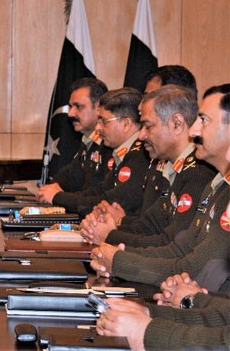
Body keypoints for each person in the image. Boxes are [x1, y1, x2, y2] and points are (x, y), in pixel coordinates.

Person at [90, 84, 230, 292]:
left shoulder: (200, 174)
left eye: (204, 120)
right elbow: (177, 247)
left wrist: (117, 256)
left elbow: (194, 267)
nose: (194, 131)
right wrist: (115, 253)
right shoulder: (217, 184)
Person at [80, 86, 215, 247]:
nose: (141, 135)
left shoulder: (198, 172)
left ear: (177, 124)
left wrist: (109, 236)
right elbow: (149, 225)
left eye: (148, 126)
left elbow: (170, 244)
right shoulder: (175, 168)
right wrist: (105, 227)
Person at [39, 88, 150, 216]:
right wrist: (57, 195)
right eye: (98, 121)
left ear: (126, 124)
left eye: (104, 121)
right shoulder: (125, 152)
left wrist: (58, 197)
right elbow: (100, 192)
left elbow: (110, 203)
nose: (97, 127)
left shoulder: (141, 155)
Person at [38, 78, 111, 195]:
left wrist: (59, 196)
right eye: (70, 106)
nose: (70, 113)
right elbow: (68, 176)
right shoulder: (87, 141)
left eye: (78, 106)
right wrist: (48, 189)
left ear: (98, 108)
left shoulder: (110, 144)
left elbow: (100, 195)